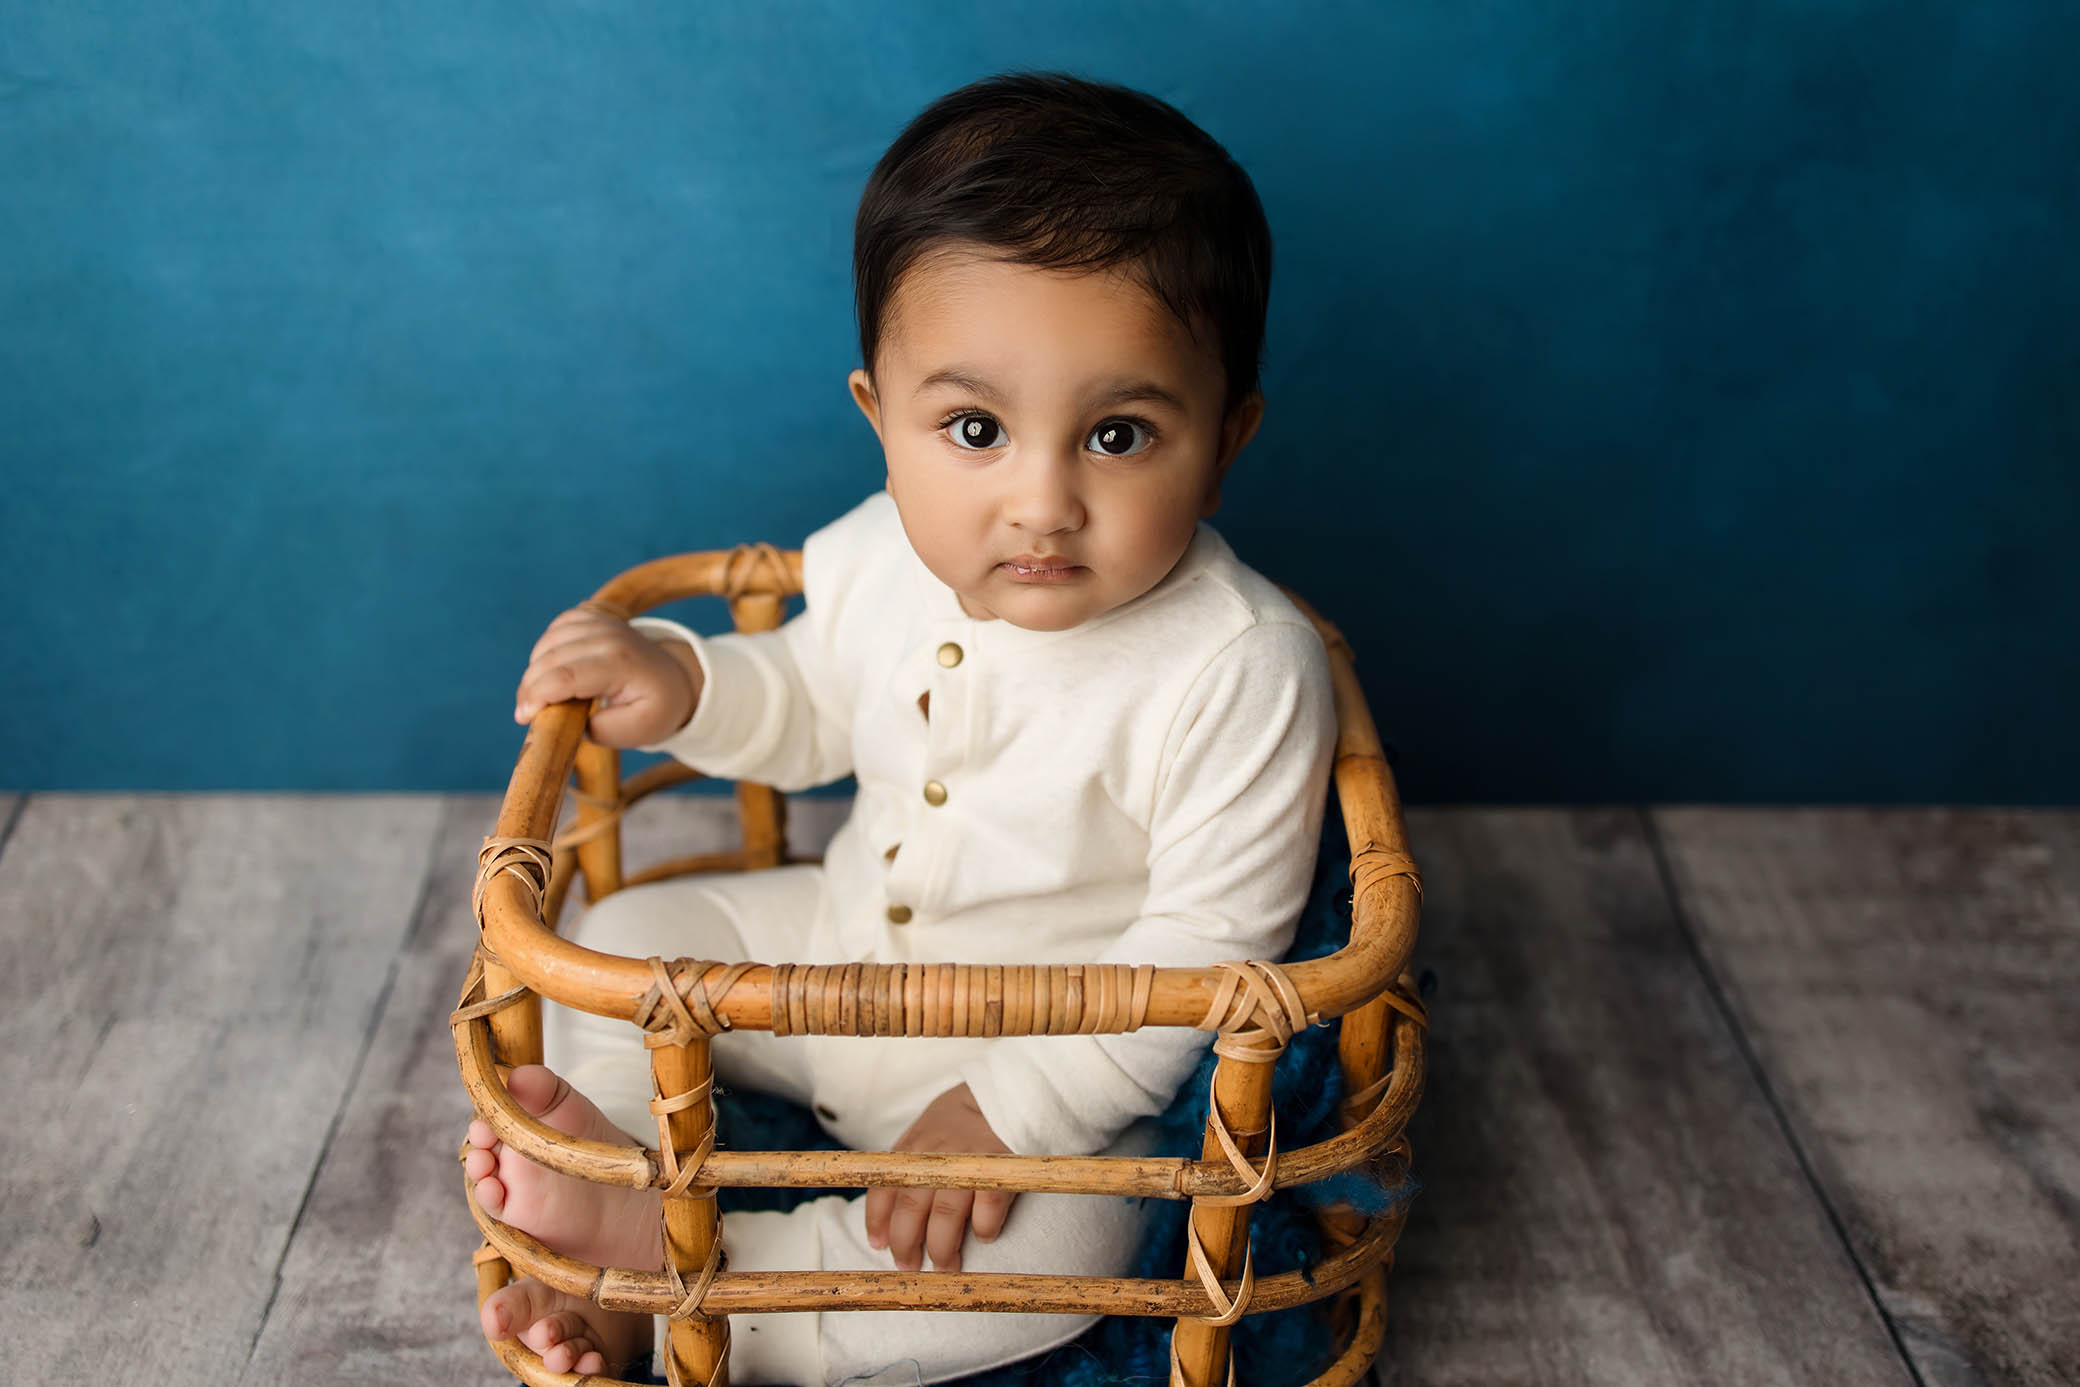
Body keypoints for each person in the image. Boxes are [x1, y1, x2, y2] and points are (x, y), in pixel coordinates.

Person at [464, 70, 1337, 1385]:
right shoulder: (882, 552)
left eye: (1117, 433)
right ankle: (630, 1189)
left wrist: (1007, 1110)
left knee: (1061, 1258)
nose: (1041, 502)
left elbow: (1208, 956)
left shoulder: (1242, 667)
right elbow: (813, 694)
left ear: (1225, 443)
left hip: (1061, 1059)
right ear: (882, 419)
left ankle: (720, 1293)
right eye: (975, 428)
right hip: (837, 953)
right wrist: (690, 686)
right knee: (630, 937)